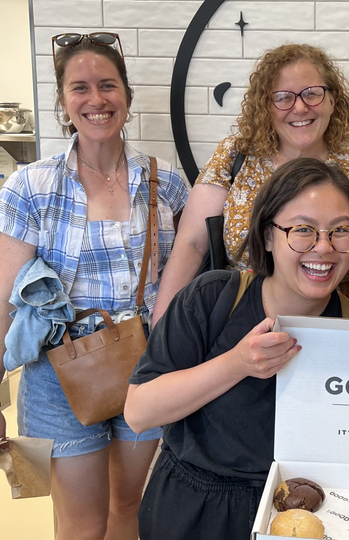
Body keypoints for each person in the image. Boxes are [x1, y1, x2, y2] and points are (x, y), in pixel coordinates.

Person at [0, 32, 188, 540]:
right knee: (82, 525)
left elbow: (184, 279)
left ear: (126, 95)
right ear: (63, 101)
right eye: (79, 87)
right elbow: (1, 302)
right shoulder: (31, 186)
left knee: (130, 509)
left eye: (107, 85)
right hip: (58, 375)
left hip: (145, 365)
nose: (96, 99)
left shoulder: (165, 182)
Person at [124, 157, 349, 540]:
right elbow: (139, 412)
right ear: (268, 235)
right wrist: (236, 363)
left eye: (341, 231)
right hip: (191, 510)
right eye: (303, 229)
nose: (323, 248)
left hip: (301, 516)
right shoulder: (212, 298)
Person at [154, 43, 349, 321]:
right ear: (266, 106)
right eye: (283, 97)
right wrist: (162, 329)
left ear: (332, 100)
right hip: (234, 326)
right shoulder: (234, 157)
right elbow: (191, 245)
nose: (300, 107)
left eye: (312, 94)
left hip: (331, 330)